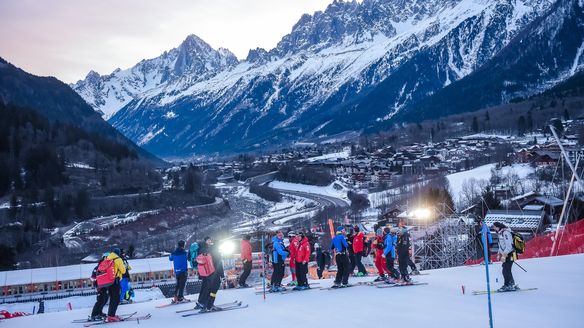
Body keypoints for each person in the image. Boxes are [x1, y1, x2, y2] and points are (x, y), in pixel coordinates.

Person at [91, 248, 126, 322]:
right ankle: (111, 315)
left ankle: (110, 315)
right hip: (115, 281)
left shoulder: (107, 258)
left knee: (111, 298)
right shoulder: (118, 259)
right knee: (115, 299)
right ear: (118, 253)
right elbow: (123, 271)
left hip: (108, 282)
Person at [196, 237, 226, 312]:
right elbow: (219, 265)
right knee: (214, 290)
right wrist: (222, 276)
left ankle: (205, 304)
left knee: (209, 289)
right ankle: (209, 305)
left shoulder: (207, 250)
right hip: (214, 273)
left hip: (207, 273)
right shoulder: (216, 252)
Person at [493, 222, 517, 291]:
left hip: (511, 253)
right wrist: (499, 254)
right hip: (507, 254)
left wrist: (503, 255)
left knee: (506, 270)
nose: (494, 228)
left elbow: (509, 246)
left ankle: (507, 285)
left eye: (494, 227)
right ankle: (511, 284)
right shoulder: (500, 233)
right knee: (506, 269)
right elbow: (501, 245)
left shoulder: (505, 233)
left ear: (498, 227)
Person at [90, 253, 110, 321]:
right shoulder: (98, 267)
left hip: (105, 285)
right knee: (100, 300)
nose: (107, 259)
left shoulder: (108, 266)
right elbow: (92, 277)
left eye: (108, 257)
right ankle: (94, 314)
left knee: (105, 299)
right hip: (100, 286)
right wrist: (97, 283)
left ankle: (99, 312)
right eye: (106, 257)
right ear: (103, 258)